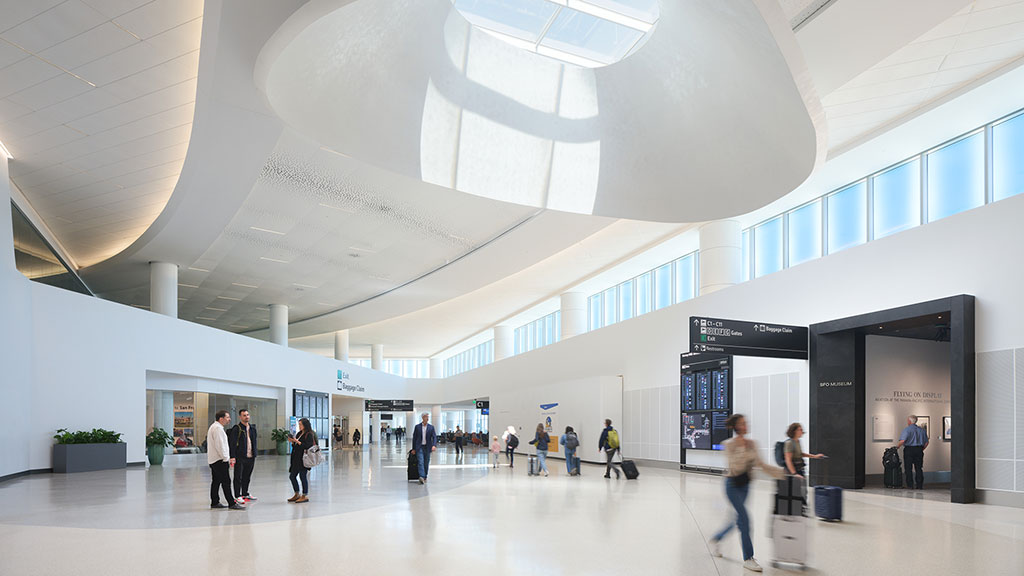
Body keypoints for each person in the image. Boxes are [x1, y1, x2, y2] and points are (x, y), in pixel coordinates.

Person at [708, 414, 783, 573]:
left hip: (746, 485)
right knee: (745, 519)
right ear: (736, 426)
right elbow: (734, 467)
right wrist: (745, 450)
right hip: (732, 485)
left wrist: (783, 473)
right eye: (742, 423)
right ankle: (748, 558)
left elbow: (761, 464)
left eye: (746, 422)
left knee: (739, 519)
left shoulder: (753, 444)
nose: (745, 425)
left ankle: (717, 538)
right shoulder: (728, 444)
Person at [207, 410, 244, 510]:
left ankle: (215, 502)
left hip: (214, 460)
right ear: (221, 418)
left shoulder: (214, 427)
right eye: (227, 417)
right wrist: (226, 458)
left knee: (216, 481)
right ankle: (231, 503)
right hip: (220, 460)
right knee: (226, 481)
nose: (229, 419)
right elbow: (220, 445)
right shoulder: (218, 429)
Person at [228, 408, 258, 503]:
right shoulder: (237, 428)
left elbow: (254, 441)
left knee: (247, 476)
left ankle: (245, 493)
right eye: (244, 415)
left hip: (251, 456)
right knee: (238, 477)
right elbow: (232, 443)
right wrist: (232, 456)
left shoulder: (253, 429)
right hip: (240, 456)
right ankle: (237, 495)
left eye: (248, 415)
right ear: (240, 417)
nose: (246, 417)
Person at [286, 418, 316, 503]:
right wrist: (293, 442)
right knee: (292, 476)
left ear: (305, 425)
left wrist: (298, 442)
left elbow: (308, 446)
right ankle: (296, 493)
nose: (299, 426)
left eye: (301, 424)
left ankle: (305, 495)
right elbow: (297, 446)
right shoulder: (299, 433)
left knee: (303, 477)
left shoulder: (309, 434)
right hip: (296, 458)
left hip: (304, 459)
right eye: (299, 424)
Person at [897, 415, 929, 489]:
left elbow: (902, 440)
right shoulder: (922, 430)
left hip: (909, 450)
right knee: (919, 468)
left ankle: (910, 485)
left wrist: (897, 447)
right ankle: (919, 485)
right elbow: (926, 442)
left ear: (909, 421)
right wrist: (921, 449)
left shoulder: (907, 430)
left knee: (908, 468)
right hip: (919, 450)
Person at [411, 412, 437, 484]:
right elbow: (414, 438)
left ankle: (425, 475)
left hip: (428, 447)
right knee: (420, 462)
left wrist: (434, 445)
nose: (427, 418)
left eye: (428, 417)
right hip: (419, 447)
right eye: (426, 417)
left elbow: (434, 437)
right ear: (422, 418)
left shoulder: (431, 427)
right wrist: (413, 449)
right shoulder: (417, 427)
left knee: (426, 462)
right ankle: (421, 476)